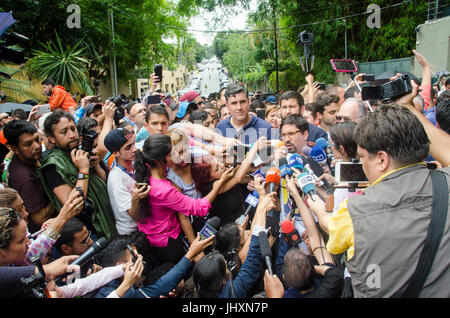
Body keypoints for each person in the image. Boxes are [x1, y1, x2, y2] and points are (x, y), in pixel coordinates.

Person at [326, 103, 450, 297]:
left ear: (381, 159)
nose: (361, 165)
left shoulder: (352, 211)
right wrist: (409, 107)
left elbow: (334, 244)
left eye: (362, 157)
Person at [132, 134, 234, 264]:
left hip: (153, 235)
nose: (176, 156)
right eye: (171, 154)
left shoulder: (147, 167)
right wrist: (220, 183)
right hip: (168, 241)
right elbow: (198, 208)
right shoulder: (163, 190)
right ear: (159, 161)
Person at [38, 110, 116, 239]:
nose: (72, 135)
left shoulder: (79, 154)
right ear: (51, 138)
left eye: (73, 129)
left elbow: (105, 184)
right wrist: (84, 170)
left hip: (108, 220)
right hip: (91, 232)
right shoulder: (52, 165)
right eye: (64, 132)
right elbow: (74, 204)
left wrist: (95, 165)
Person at [191, 180, 276, 298]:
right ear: (222, 281)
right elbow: (254, 242)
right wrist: (261, 206)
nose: (248, 232)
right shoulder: (233, 292)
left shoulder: (208, 279)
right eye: (225, 266)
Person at [94, 234, 214, 298]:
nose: (140, 257)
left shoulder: (121, 283)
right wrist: (191, 254)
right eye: (134, 257)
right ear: (120, 265)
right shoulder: (119, 293)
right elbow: (160, 286)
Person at [3, 120, 55, 232]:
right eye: (28, 144)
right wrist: (58, 189)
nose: (37, 146)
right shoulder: (23, 178)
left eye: (37, 139)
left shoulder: (34, 159)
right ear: (15, 148)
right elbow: (39, 218)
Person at [105, 128, 149, 236]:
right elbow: (134, 216)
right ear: (116, 153)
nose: (134, 149)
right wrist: (135, 199)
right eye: (128, 147)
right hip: (132, 233)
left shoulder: (133, 164)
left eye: (133, 144)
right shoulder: (116, 179)